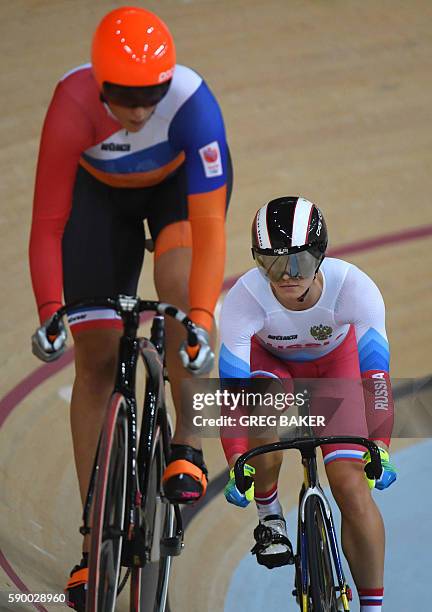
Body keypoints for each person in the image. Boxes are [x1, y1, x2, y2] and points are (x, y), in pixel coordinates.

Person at [29, 6, 232, 609]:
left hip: (179, 195)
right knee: (93, 358)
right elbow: (47, 224)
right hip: (99, 201)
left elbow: (211, 227)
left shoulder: (194, 106)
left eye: (152, 95)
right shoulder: (71, 104)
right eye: (125, 96)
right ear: (99, 84)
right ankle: (94, 550)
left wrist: (199, 319)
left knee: (178, 293)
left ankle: (188, 445)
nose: (141, 110)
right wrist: (48, 308)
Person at [219, 196, 396, 612]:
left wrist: (381, 445)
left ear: (319, 255)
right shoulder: (244, 298)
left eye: (297, 262)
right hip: (272, 367)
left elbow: (377, 379)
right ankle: (271, 517)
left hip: (335, 369)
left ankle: (373, 607)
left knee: (352, 488)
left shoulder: (354, 288)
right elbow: (232, 391)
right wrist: (237, 457)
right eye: (271, 263)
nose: (285, 276)